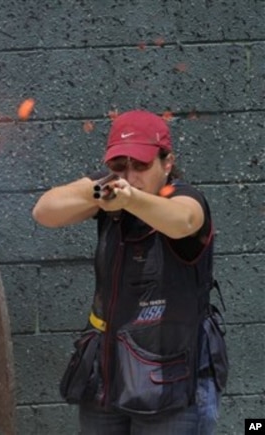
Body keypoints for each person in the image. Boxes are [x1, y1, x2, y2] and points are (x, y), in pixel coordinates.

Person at [32, 110, 228, 434]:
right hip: (108, 379)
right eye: (120, 166)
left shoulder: (184, 197)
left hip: (172, 385)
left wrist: (130, 198)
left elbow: (184, 220)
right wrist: (98, 192)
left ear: (167, 163)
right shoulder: (111, 192)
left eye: (140, 165)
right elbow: (45, 210)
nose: (129, 174)